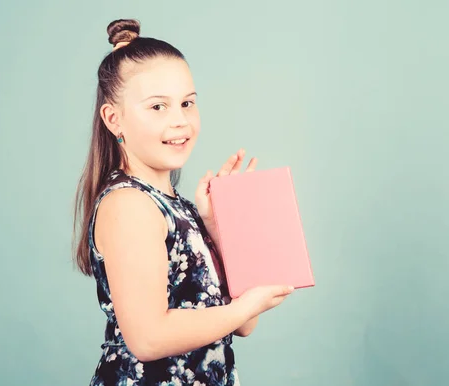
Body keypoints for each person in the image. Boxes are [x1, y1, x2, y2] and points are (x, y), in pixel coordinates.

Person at [72, 19, 294, 386]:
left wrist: (219, 230)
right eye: (158, 107)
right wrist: (245, 306)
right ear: (114, 120)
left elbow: (244, 324)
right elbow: (147, 338)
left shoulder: (179, 206)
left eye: (187, 103)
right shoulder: (129, 204)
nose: (180, 121)